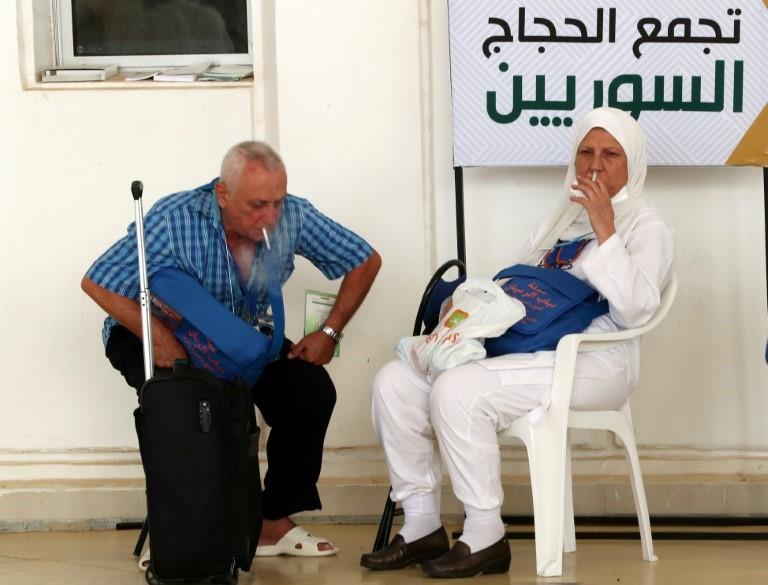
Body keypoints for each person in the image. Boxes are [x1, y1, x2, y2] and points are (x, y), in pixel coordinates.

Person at [361, 107, 674, 578]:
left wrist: (605, 226)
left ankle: (485, 534)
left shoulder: (646, 227)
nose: (595, 164)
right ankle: (423, 522)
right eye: (586, 152)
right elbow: (516, 294)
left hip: (593, 362)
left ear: (633, 162)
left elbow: (635, 309)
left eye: (611, 154)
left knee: (458, 390)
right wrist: (466, 310)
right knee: (395, 381)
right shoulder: (554, 224)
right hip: (527, 351)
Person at [82, 141, 381, 563]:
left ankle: (270, 521)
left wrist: (330, 331)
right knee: (185, 407)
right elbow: (99, 282)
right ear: (223, 194)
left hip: (245, 340)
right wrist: (159, 335)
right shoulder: (174, 219)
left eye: (277, 202)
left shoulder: (291, 214)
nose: (271, 217)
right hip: (154, 330)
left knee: (309, 391)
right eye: (258, 205)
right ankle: (178, 533)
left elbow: (364, 260)